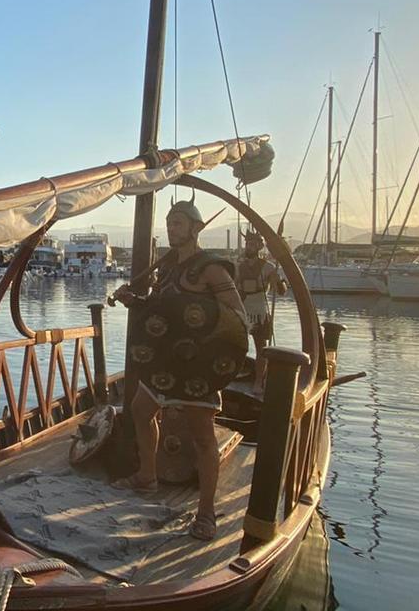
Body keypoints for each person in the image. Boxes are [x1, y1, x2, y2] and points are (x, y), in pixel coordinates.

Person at [112, 199, 248, 540]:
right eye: (170, 223)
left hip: (196, 368)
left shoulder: (211, 269)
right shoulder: (169, 269)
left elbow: (237, 317)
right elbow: (161, 312)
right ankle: (148, 476)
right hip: (166, 362)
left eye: (178, 223)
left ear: (195, 228)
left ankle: (206, 513)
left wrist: (209, 344)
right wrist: (134, 301)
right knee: (140, 410)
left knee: (202, 437)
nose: (172, 229)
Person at [236, 232, 287, 391]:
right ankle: (234, 375)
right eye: (247, 244)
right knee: (237, 346)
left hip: (260, 312)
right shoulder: (239, 267)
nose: (248, 247)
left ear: (259, 247)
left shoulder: (268, 267)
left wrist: (278, 281)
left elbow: (281, 291)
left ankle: (259, 381)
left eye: (252, 244)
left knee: (261, 348)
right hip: (243, 311)